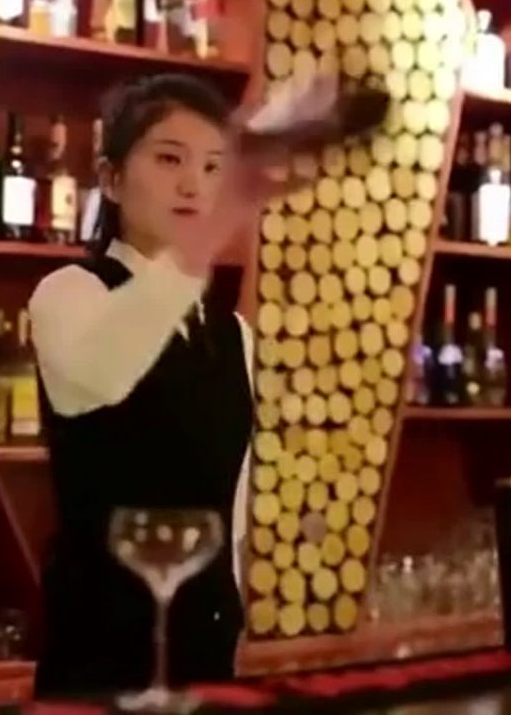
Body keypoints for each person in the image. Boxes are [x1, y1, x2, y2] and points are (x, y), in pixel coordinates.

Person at [28, 72, 319, 698]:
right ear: (110, 179)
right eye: (169, 159)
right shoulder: (69, 295)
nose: (194, 184)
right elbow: (100, 376)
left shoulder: (232, 334)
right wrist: (201, 245)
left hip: (208, 659)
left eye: (214, 167)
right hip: (99, 669)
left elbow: (228, 511)